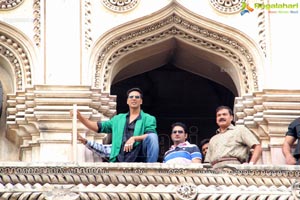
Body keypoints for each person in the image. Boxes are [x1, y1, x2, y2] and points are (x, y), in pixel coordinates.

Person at [72, 87, 159, 162]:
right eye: (131, 97)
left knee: (153, 137)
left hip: (140, 156)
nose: (134, 99)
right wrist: (80, 117)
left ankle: (151, 166)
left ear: (141, 101)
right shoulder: (118, 119)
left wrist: (134, 138)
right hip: (120, 158)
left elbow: (151, 136)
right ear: (127, 101)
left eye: (137, 97)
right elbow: (98, 127)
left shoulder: (148, 118)